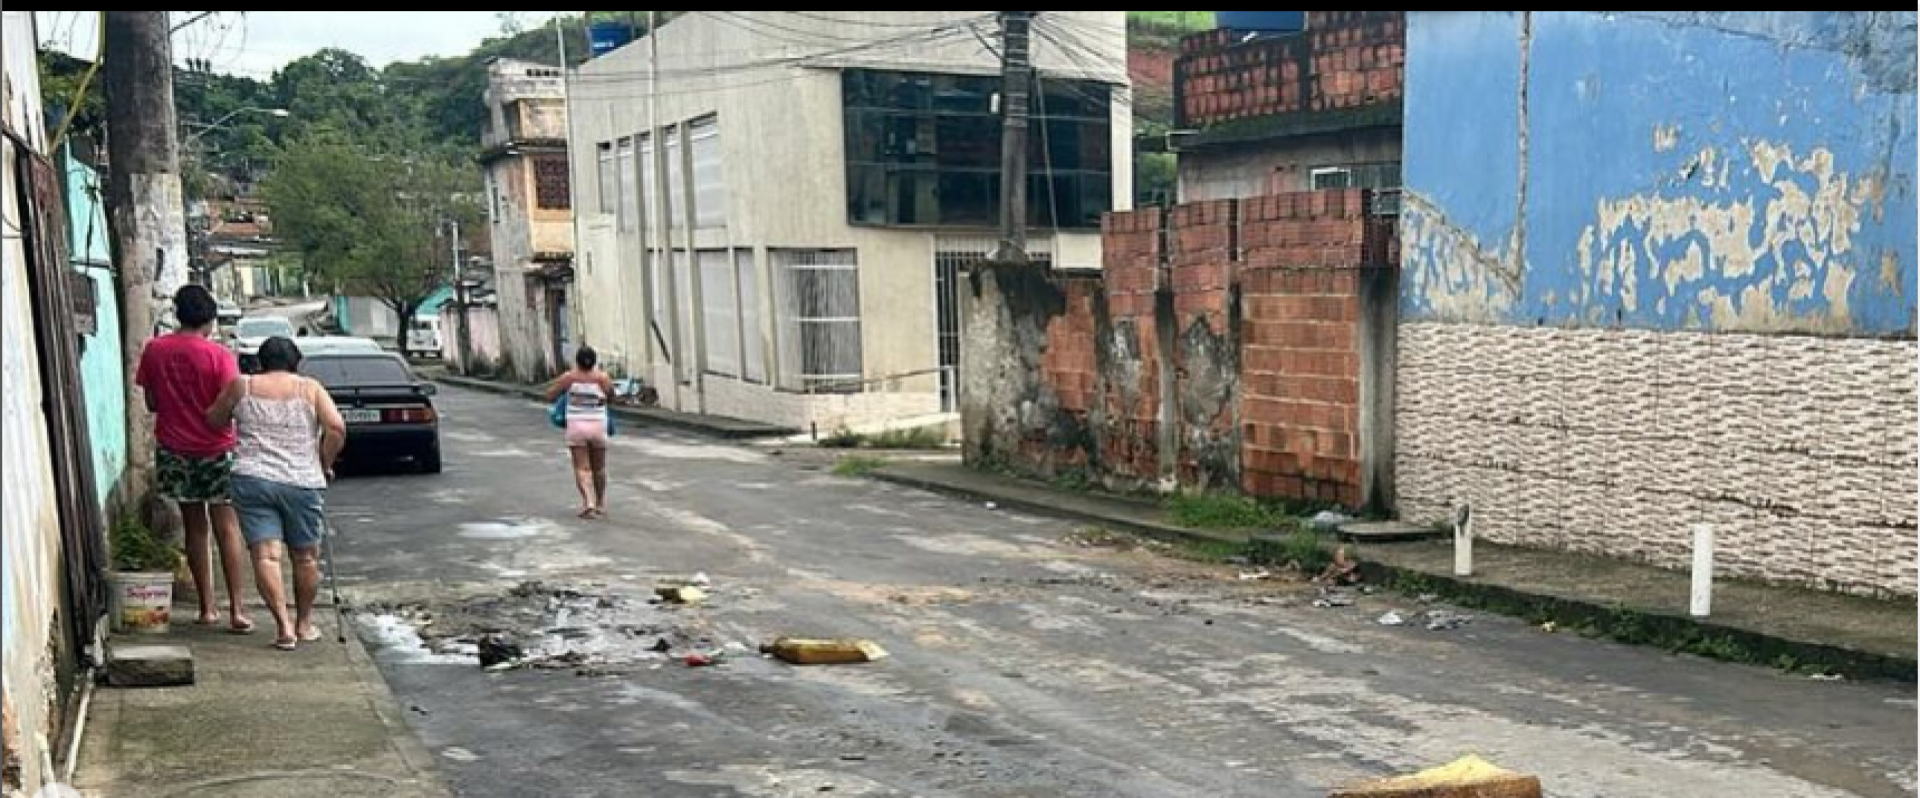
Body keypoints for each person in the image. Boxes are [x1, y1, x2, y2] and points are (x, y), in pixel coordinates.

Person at [207, 337, 347, 650]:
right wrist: (324, 462)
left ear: (260, 361)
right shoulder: (309, 388)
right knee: (305, 557)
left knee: (266, 555)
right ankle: (304, 623)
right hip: (301, 480)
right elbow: (336, 428)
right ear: (296, 362)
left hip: (253, 478)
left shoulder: (240, 386)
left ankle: (283, 626)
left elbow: (214, 419)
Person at [134, 284, 253, 633]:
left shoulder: (154, 350)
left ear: (177, 313)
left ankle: (206, 608)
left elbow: (152, 403)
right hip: (218, 449)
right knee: (227, 528)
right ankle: (238, 610)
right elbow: (231, 403)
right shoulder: (220, 356)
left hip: (175, 449)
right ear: (210, 320)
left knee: (195, 528)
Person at [545, 346, 615, 519]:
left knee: (582, 468)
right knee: (599, 468)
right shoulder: (602, 378)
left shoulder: (569, 378)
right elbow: (612, 397)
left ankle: (588, 502)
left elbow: (550, 395)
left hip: (576, 427)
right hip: (598, 426)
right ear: (594, 360)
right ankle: (600, 504)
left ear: (577, 360)